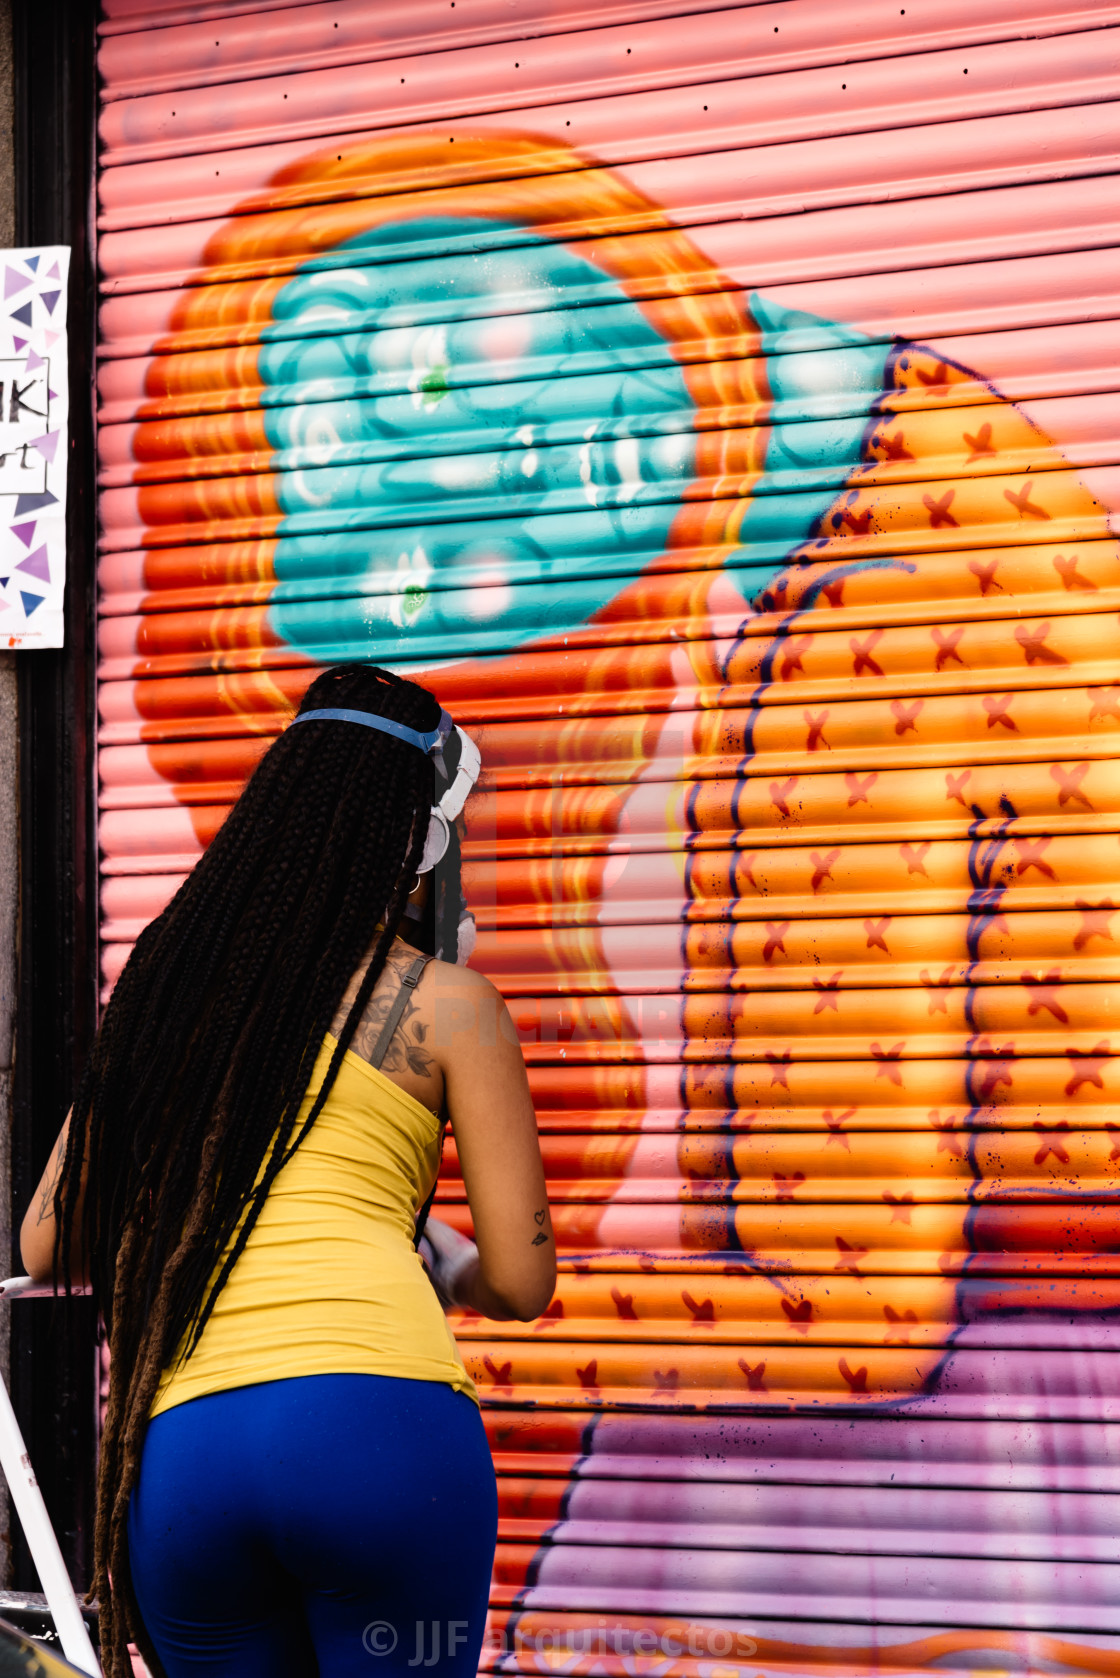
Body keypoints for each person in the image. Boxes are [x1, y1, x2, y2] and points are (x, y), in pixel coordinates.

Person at [19, 662, 555, 1678]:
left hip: (188, 1458)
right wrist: (446, 1266)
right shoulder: (446, 1005)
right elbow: (521, 1283)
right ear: (417, 840)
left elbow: (46, 1242)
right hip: (382, 1439)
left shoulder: (157, 999)